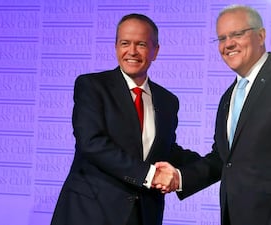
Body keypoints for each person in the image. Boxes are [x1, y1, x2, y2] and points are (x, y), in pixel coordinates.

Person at [155, 4, 271, 225]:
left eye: (237, 34)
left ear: (261, 35)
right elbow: (224, 160)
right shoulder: (229, 96)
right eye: (221, 38)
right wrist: (181, 178)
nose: (228, 44)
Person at [50, 13, 200, 225]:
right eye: (125, 43)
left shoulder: (168, 101)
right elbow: (91, 143)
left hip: (144, 215)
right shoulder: (92, 86)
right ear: (116, 47)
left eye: (141, 44)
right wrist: (151, 175)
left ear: (155, 51)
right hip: (90, 214)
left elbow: (162, 150)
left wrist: (217, 165)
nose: (132, 51)